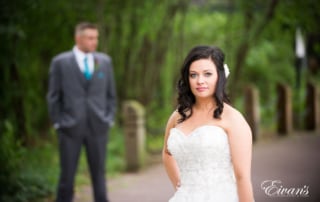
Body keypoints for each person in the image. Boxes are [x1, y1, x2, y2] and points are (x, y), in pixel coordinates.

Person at [162, 45, 254, 202]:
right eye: (193, 75)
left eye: (207, 74)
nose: (200, 81)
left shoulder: (233, 119)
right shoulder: (178, 115)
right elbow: (166, 153)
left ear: (219, 76)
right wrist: (181, 187)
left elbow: (242, 177)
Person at [47, 22, 117, 202]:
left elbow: (111, 95)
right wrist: (58, 122)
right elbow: (53, 96)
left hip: (98, 127)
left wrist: (108, 118)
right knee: (67, 177)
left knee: (99, 175)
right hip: (69, 129)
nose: (95, 42)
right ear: (78, 38)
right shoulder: (60, 62)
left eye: (96, 38)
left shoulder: (105, 61)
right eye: (90, 38)